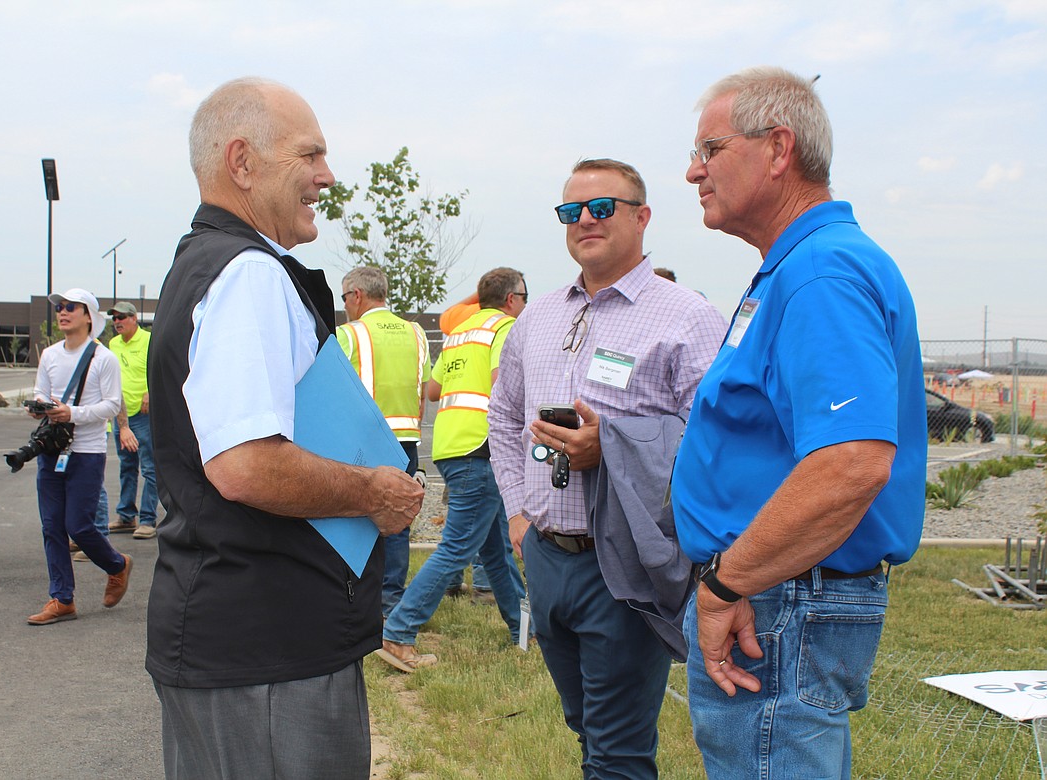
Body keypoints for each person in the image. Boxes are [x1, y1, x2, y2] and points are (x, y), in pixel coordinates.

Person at [146, 77, 423, 780]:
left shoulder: (206, 264)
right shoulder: (249, 274)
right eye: (310, 156)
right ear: (242, 162)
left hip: (236, 639)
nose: (327, 177)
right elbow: (244, 464)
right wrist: (372, 492)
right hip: (267, 649)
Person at [671, 67, 925, 780]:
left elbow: (851, 461)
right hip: (777, 593)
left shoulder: (820, 274)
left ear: (778, 148)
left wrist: (728, 585)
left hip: (778, 601)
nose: (694, 171)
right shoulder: (796, 269)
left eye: (710, 149)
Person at [488, 159, 727, 778]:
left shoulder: (687, 317)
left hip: (624, 562)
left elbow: (715, 440)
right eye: (571, 211)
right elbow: (504, 417)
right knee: (586, 729)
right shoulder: (538, 316)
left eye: (603, 208)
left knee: (618, 749)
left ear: (642, 217)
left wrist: (612, 444)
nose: (585, 220)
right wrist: (516, 512)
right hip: (546, 556)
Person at [377, 267, 529, 672]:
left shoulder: (462, 330)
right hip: (482, 446)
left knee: (495, 550)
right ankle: (398, 630)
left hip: (450, 443)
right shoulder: (505, 329)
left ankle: (526, 633)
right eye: (525, 297)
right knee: (457, 547)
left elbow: (433, 389)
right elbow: (504, 384)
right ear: (512, 299)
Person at [27, 288, 133, 625]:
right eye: (59, 307)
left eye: (70, 307)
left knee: (79, 525)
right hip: (52, 450)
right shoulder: (50, 355)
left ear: (89, 315)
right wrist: (40, 406)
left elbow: (112, 405)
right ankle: (62, 598)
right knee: (51, 526)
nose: (62, 312)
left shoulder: (103, 358)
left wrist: (69, 413)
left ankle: (117, 565)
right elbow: (40, 391)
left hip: (87, 451)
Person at [337, 266, 430, 617]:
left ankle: (358, 600)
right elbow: (423, 391)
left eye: (345, 297)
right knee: (398, 521)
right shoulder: (417, 334)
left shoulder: (349, 334)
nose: (345, 304)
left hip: (363, 441)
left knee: (357, 520)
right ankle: (392, 602)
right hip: (405, 440)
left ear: (357, 295)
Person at [105, 301, 160, 540]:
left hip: (143, 414)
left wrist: (151, 391)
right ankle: (126, 515)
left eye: (122, 317)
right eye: (114, 318)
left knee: (149, 467)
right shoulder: (113, 344)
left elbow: (160, 369)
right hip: (120, 415)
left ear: (134, 318)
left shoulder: (149, 340)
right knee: (127, 466)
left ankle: (148, 519)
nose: (117, 322)